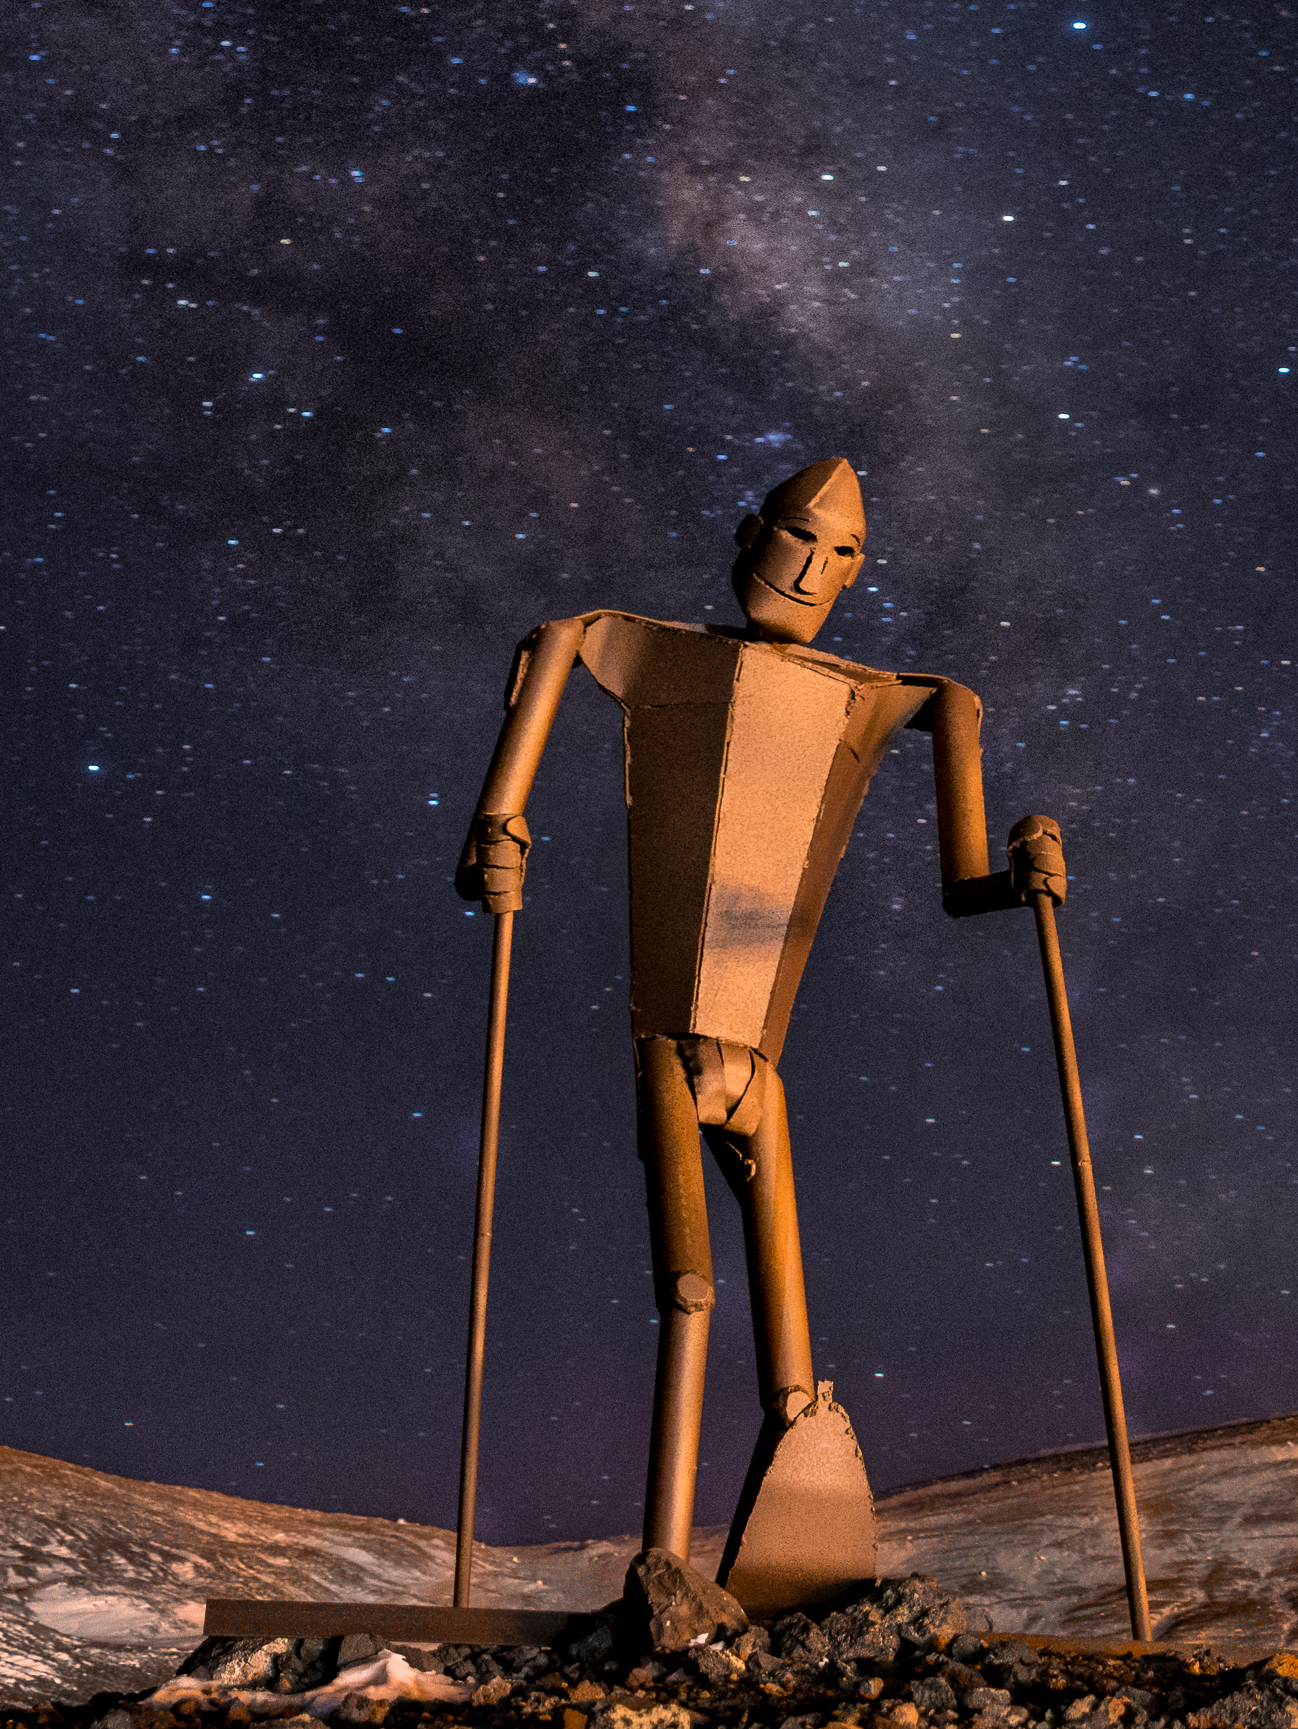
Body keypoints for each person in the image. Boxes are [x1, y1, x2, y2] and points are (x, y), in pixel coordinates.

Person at [453, 457, 1064, 1607]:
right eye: (796, 537)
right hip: (677, 1045)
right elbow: (556, 644)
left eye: (842, 557)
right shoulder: (645, 651)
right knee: (690, 1290)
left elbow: (961, 883)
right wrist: (498, 823)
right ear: (748, 532)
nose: (812, 569)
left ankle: (796, 1558)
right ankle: (665, 1571)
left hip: (761, 1068)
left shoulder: (900, 697)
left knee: (797, 1360)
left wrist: (1022, 870)